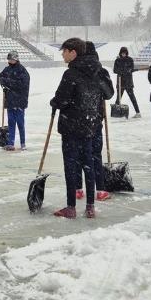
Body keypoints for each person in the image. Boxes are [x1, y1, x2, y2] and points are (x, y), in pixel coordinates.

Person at [50, 38, 101, 219]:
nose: (63, 54)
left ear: (73, 52)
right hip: (88, 125)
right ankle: (90, 207)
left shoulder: (70, 74)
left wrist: (54, 102)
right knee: (89, 165)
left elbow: (62, 99)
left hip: (71, 126)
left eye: (64, 51)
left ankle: (71, 206)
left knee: (71, 166)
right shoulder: (95, 71)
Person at [76, 42, 115, 203]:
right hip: (94, 118)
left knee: (78, 154)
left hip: (77, 119)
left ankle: (78, 188)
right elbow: (109, 94)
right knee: (94, 154)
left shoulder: (74, 70)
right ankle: (99, 189)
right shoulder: (101, 71)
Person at [0, 50, 30, 151]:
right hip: (10, 100)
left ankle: (23, 143)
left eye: (12, 59)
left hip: (20, 101)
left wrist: (7, 83)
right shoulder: (7, 69)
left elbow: (21, 85)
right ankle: (11, 143)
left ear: (16, 59)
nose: (10, 61)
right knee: (11, 122)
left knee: (20, 123)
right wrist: (4, 82)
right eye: (9, 59)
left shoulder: (22, 70)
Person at [113, 46, 141, 118]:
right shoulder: (117, 60)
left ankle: (138, 112)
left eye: (125, 53)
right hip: (120, 82)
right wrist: (122, 71)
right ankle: (116, 112)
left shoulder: (130, 60)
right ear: (120, 53)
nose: (123, 54)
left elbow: (131, 68)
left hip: (128, 82)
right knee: (118, 98)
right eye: (122, 53)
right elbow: (114, 70)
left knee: (132, 98)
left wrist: (126, 71)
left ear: (127, 53)